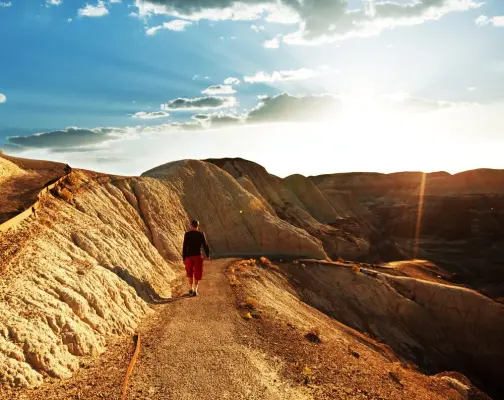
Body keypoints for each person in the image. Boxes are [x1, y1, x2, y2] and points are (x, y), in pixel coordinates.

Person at [182, 220, 210, 296]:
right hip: (197, 256)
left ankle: (191, 289)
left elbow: (184, 247)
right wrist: (207, 255)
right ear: (198, 226)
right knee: (197, 273)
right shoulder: (201, 234)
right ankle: (195, 290)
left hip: (189, 256)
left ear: (191, 225)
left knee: (189, 273)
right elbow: (205, 245)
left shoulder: (187, 234)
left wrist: (184, 258)